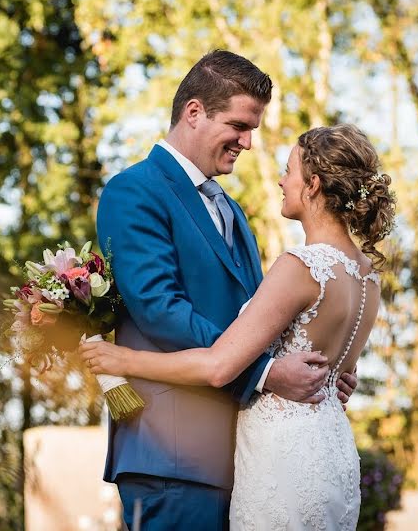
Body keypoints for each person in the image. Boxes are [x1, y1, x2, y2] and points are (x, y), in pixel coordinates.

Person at [92, 50, 362, 530]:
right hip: (172, 452)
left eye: (253, 129)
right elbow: (159, 309)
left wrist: (323, 367)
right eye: (239, 125)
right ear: (194, 112)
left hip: (248, 458)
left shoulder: (232, 211)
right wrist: (266, 371)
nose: (248, 142)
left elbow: (260, 316)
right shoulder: (134, 190)